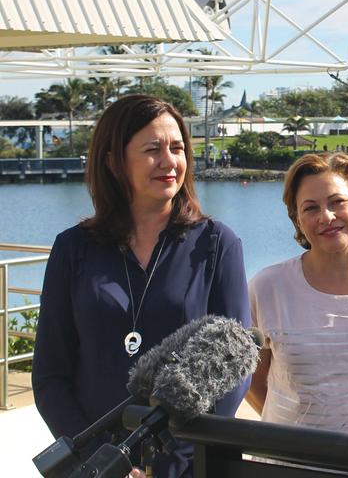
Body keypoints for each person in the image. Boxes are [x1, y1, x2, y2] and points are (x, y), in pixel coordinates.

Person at [32, 94, 250, 477]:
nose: (170, 162)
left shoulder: (216, 244)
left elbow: (234, 366)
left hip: (190, 465)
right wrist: (105, 462)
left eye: (178, 148)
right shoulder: (72, 249)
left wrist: (173, 459)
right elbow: (51, 375)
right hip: (96, 466)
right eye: (153, 149)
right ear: (114, 162)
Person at [246, 152, 348, 433]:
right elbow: (250, 381)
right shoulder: (268, 287)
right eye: (310, 208)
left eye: (337, 202)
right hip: (287, 464)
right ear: (297, 219)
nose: (326, 217)